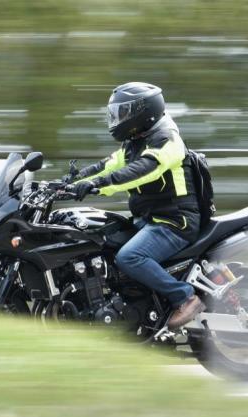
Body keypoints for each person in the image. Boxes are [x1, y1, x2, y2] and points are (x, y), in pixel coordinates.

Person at [67, 82, 205, 329]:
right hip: (149, 220)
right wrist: (66, 184)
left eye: (123, 113)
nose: (117, 119)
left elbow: (142, 171)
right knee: (101, 242)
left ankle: (185, 297)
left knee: (130, 257)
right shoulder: (134, 143)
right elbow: (106, 167)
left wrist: (98, 184)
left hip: (174, 222)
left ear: (143, 112)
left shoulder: (167, 140)